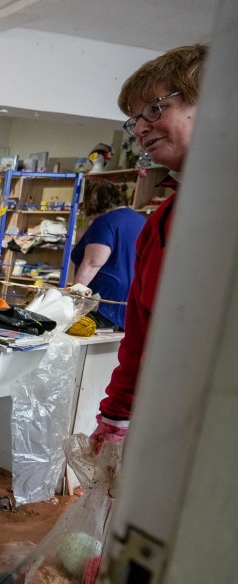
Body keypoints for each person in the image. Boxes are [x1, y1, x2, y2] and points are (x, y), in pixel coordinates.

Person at [90, 43, 206, 451]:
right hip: (173, 429)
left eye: (154, 109)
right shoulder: (159, 222)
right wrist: (115, 415)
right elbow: (141, 334)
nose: (140, 128)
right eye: (134, 120)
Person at [70, 179, 146, 329]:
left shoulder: (106, 222)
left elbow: (93, 262)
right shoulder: (140, 220)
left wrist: (73, 297)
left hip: (103, 304)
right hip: (129, 302)